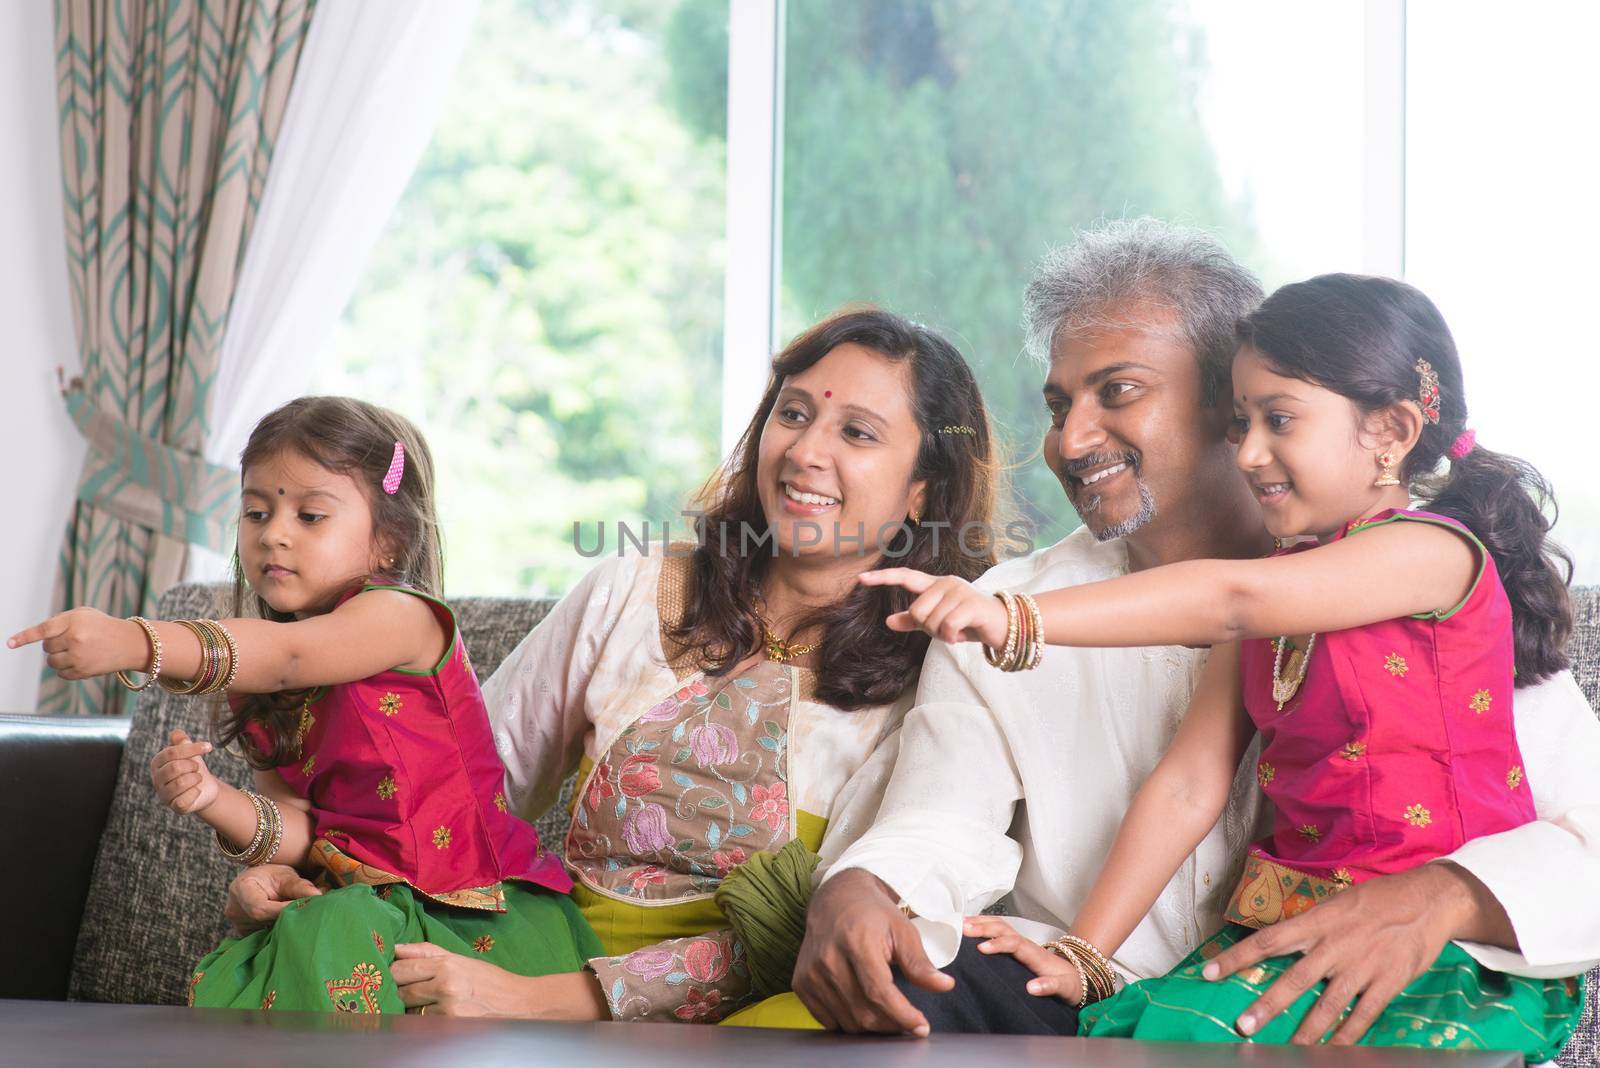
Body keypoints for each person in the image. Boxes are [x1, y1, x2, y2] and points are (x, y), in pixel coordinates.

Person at [793, 220, 1600, 1045]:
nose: (1070, 441)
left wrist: (1441, 896)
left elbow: (1590, 841)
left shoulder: (1416, 575)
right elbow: (958, 817)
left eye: (1118, 391)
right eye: (1059, 404)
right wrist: (864, 886)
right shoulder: (1008, 598)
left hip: (1376, 975)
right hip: (1099, 997)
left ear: (1230, 398)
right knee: (912, 983)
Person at [219, 308, 1007, 1023]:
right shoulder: (633, 591)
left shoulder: (938, 670)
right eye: (793, 414)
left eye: (858, 434)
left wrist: (544, 1003)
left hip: (754, 1014)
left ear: (921, 491)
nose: (805, 451)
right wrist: (317, 881)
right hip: (528, 952)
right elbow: (450, 790)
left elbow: (834, 921)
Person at [9, 396, 598, 1014]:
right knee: (306, 929)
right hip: (357, 912)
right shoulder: (260, 682)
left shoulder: (401, 617)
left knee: (323, 935)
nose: (274, 534)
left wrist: (136, 640)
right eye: (256, 512)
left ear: (388, 543)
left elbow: (289, 653)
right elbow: (305, 830)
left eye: (311, 515)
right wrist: (214, 800)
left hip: (470, 916)